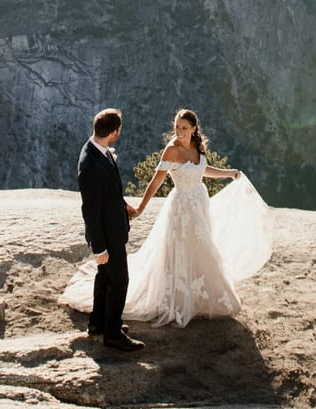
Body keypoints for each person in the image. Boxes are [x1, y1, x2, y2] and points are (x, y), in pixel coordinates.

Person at [62, 108, 272, 329]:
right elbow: (156, 181)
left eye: (183, 127)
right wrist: (141, 207)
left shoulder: (197, 147)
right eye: (176, 127)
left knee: (202, 248)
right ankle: (176, 300)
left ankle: (200, 297)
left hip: (200, 204)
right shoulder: (171, 151)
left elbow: (202, 170)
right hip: (181, 209)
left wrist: (228, 173)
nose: (179, 131)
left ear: (194, 129)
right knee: (179, 252)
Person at [76, 108, 145, 351]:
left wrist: (124, 206)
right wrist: (100, 247)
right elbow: (90, 210)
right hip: (107, 235)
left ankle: (98, 323)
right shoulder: (91, 164)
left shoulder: (97, 151)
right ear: (114, 132)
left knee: (105, 277)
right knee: (120, 280)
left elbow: (109, 193)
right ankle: (113, 333)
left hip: (113, 227)